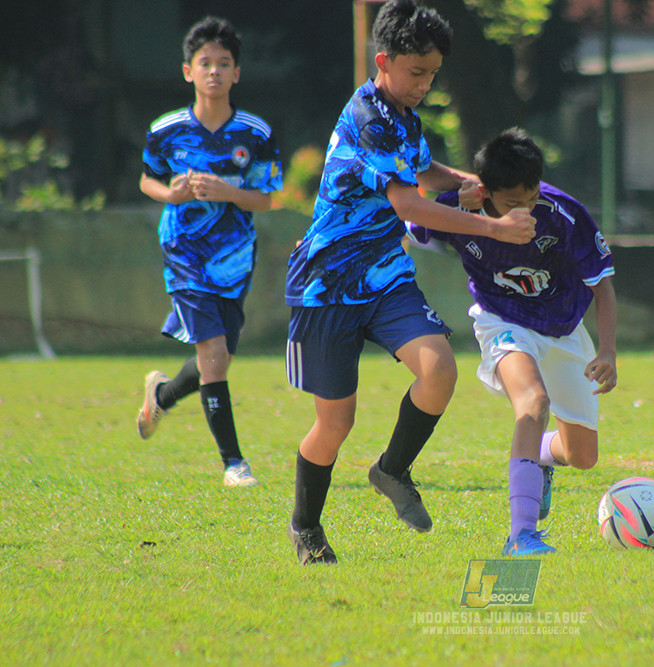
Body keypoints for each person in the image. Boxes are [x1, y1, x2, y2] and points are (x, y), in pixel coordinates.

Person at [283, 0, 536, 565]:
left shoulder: (403, 118)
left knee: (440, 368)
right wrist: (492, 224)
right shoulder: (369, 118)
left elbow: (425, 172)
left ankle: (392, 470)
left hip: (384, 277)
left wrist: (471, 181)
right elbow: (411, 204)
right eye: (416, 73)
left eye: (432, 75)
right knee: (335, 424)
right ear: (384, 61)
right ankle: (306, 527)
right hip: (327, 284)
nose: (424, 85)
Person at [407, 127, 618, 556]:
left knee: (583, 456)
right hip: (501, 321)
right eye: (511, 204)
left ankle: (541, 456)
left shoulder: (564, 214)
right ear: (484, 192)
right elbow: (409, 227)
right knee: (533, 403)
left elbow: (603, 285)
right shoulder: (460, 212)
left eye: (531, 198)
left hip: (563, 328)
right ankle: (521, 535)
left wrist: (608, 350)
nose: (525, 211)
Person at [136, 16, 282, 488]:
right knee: (214, 356)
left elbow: (267, 197)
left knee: (214, 361)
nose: (214, 71)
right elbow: (147, 179)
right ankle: (233, 464)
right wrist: (171, 196)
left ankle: (161, 394)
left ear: (237, 72)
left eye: (224, 63)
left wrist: (227, 191)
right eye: (205, 63)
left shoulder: (255, 133)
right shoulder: (165, 130)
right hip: (183, 251)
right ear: (188, 71)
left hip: (236, 256)